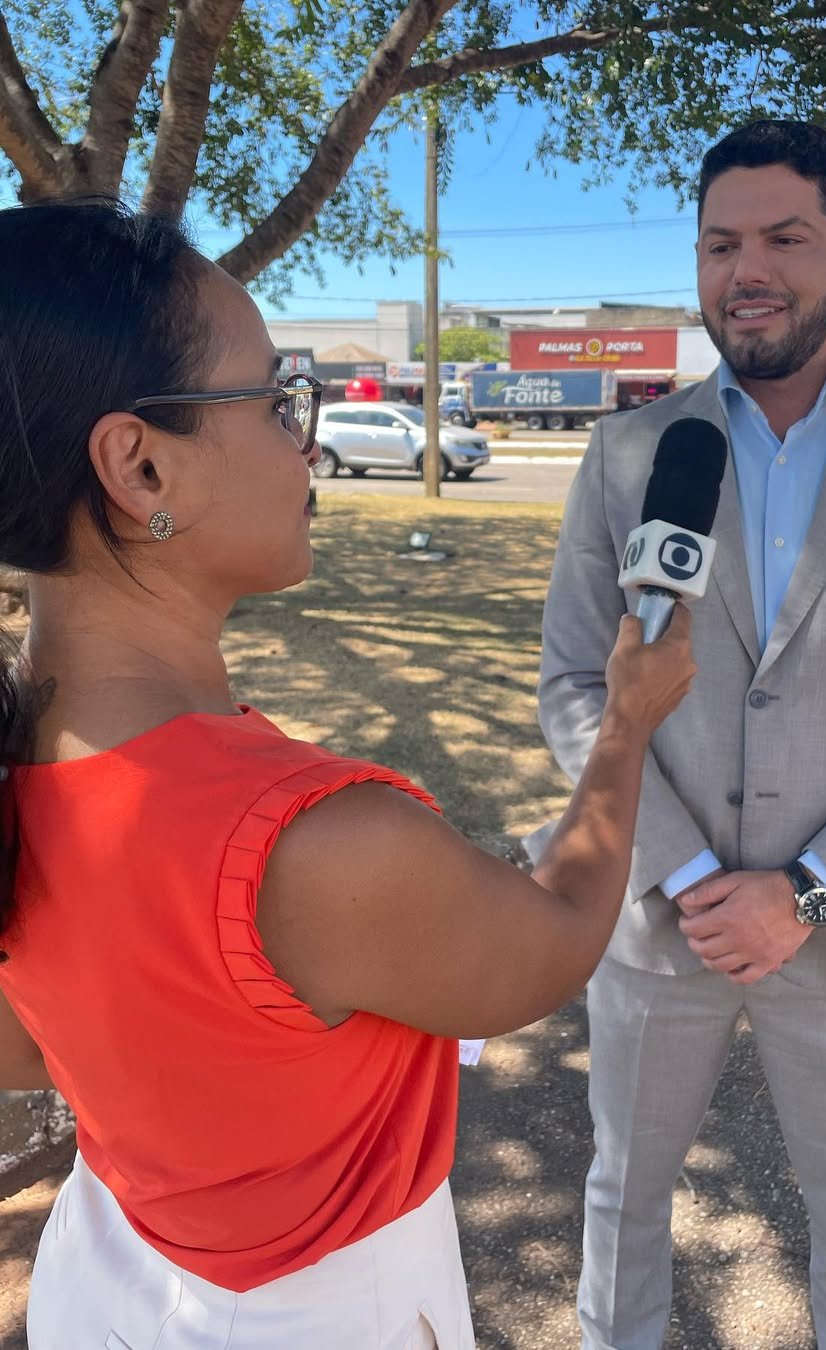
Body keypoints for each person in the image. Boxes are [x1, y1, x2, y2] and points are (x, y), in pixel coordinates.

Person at [0, 199, 697, 1350]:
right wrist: (624, 727)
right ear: (141, 466)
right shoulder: (316, 842)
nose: (307, 444)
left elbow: (29, 1052)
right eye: (277, 400)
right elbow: (552, 943)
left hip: (104, 1275)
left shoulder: (21, 765)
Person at [534, 119, 826, 1349]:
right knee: (623, 1201)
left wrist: (803, 892)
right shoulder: (629, 453)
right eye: (720, 245)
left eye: (785, 239)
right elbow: (575, 689)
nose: (746, 270)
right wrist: (693, 875)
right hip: (662, 917)